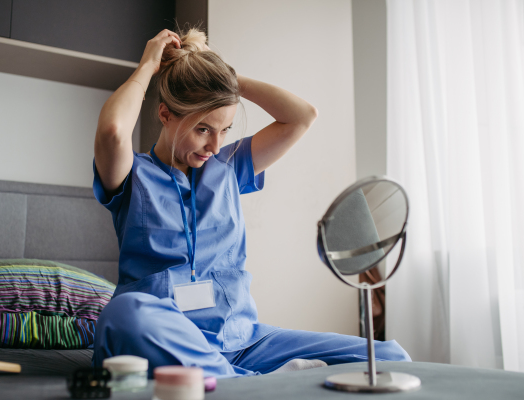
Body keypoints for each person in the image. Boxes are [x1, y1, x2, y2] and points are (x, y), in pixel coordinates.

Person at [91, 28, 410, 378]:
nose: (214, 145)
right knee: (124, 314)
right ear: (166, 114)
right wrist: (149, 66)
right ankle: (253, 385)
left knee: (389, 357)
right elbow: (113, 131)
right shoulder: (132, 175)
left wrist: (223, 80)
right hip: (165, 339)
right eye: (202, 129)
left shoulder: (227, 167)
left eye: (224, 129)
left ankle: (237, 379)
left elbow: (302, 116)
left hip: (242, 340)